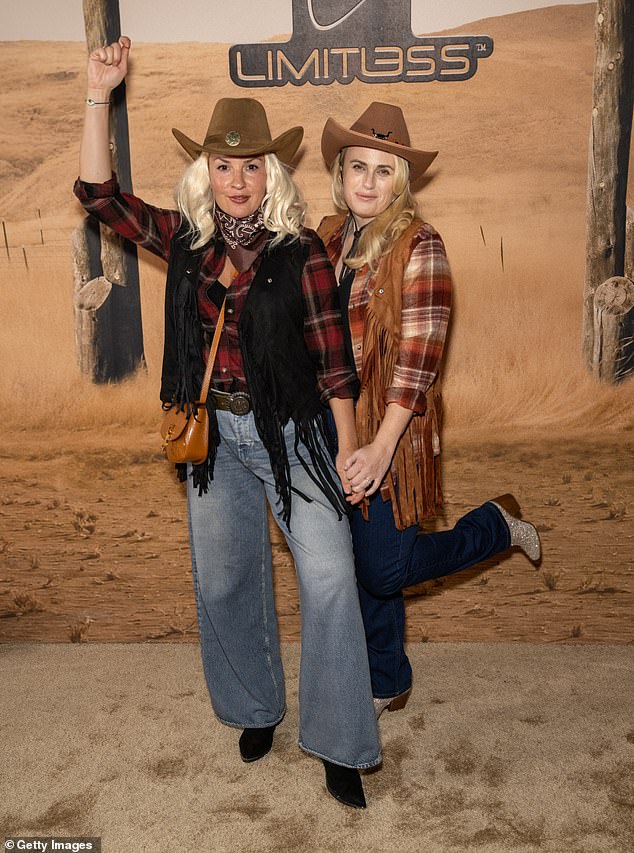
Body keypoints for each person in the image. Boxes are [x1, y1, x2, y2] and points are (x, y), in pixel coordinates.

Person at [74, 37, 381, 809]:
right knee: (226, 577)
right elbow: (99, 196)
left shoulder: (301, 249)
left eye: (250, 166)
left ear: (270, 173)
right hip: (213, 437)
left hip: (295, 437)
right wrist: (97, 93)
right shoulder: (184, 238)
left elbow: (335, 360)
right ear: (204, 170)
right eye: (222, 163)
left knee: (330, 575)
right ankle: (254, 709)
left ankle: (340, 741)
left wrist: (348, 450)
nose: (236, 180)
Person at [317, 102, 541, 717]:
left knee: (385, 570)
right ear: (340, 173)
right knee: (360, 560)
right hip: (328, 427)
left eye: (383, 170)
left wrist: (381, 448)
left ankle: (495, 524)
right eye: (357, 166)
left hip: (391, 434)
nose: (368, 181)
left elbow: (419, 362)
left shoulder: (422, 246)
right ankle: (387, 678)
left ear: (402, 181)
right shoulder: (329, 236)